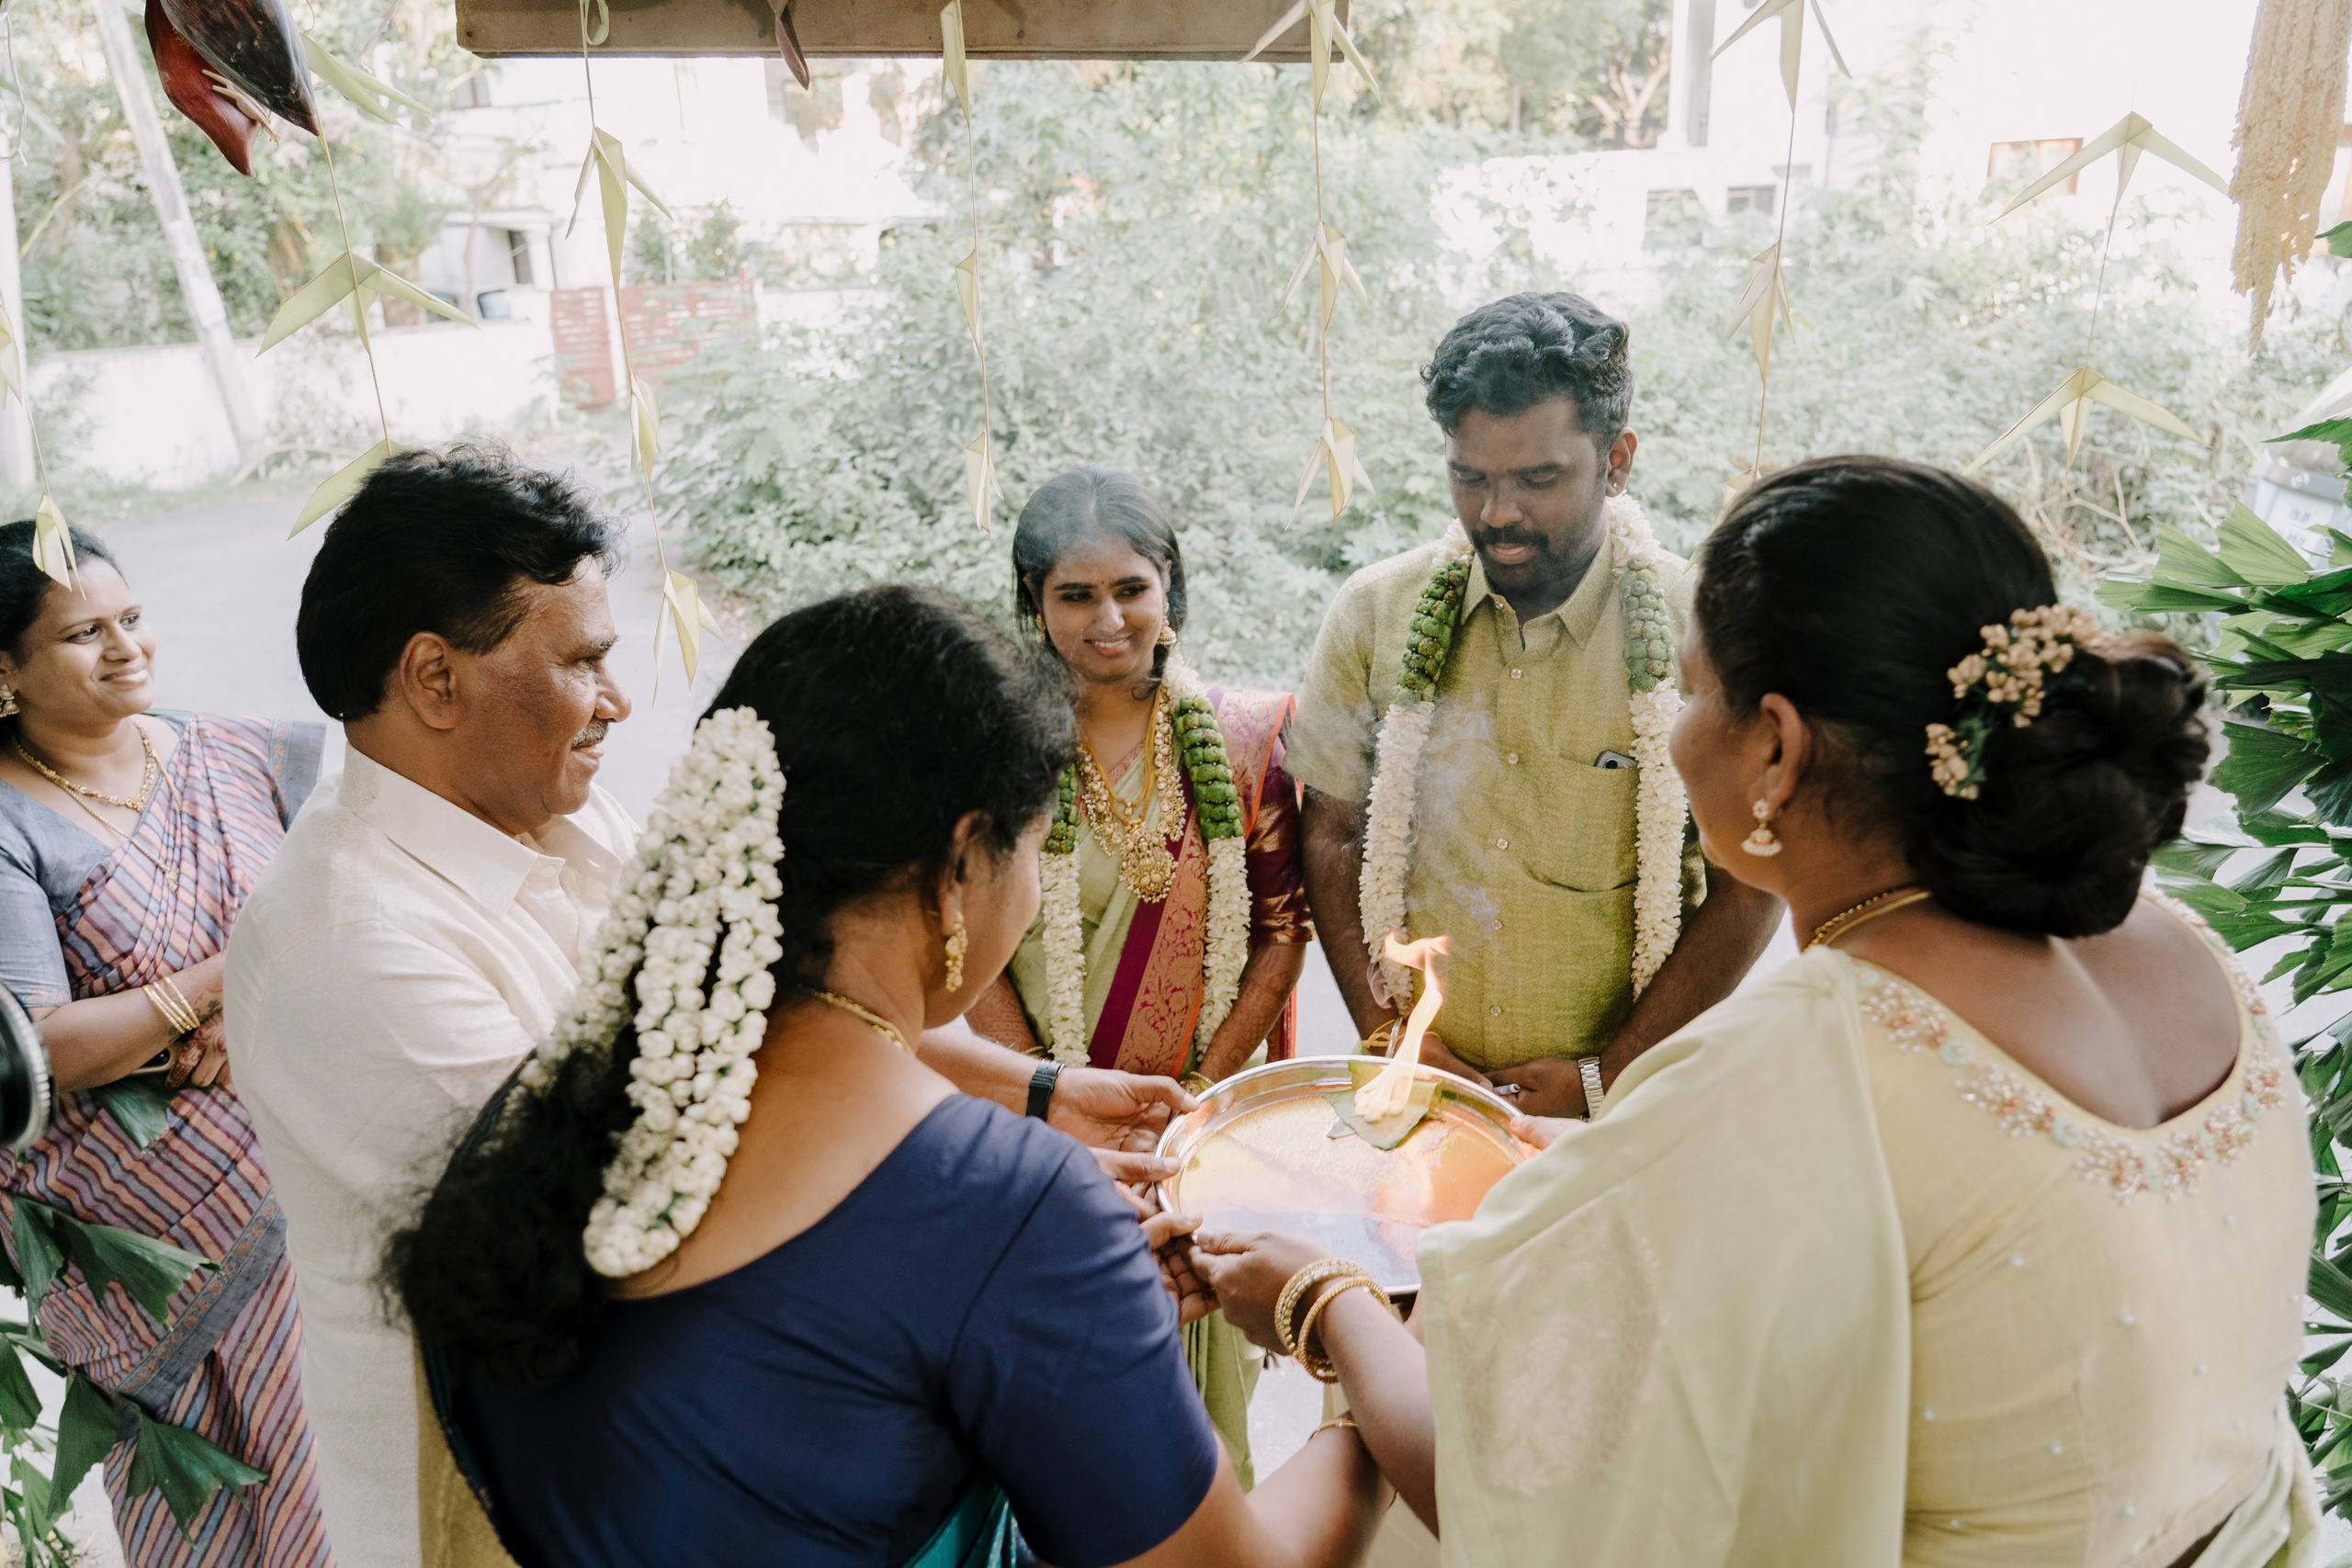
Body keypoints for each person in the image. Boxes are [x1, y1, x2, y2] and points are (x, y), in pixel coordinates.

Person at [1197, 457, 2318, 1566]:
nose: (1674, 734)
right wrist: (1606, 1160)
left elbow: (1518, 1502)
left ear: (1775, 747)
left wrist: (1320, 1295)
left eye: (1687, 693)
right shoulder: (2182, 950)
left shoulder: (1798, 1065)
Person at [229, 446, 1204, 1568]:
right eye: (581, 662)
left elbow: (759, 996)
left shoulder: (559, 812)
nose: (618, 702)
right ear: (436, 678)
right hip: (498, 1502)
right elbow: (653, 1189)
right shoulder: (350, 946)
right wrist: (1012, 1227)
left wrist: (1036, 1097)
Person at [388, 586, 1389, 1568]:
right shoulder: (1010, 1214)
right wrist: (1363, 1361)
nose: (1033, 892)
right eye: (1034, 852)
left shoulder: (559, 1108)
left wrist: (1067, 1318)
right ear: (960, 867)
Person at [1286, 292, 1781, 1118]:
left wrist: (1607, 1076)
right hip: (1418, 1099)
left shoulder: (1702, 630)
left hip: (1626, 1110)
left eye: (1537, 479)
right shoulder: (1374, 613)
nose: (1498, 514)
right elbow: (1332, 832)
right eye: (1469, 477)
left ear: (1617, 461)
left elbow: (1750, 886)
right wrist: (1391, 1039)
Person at [964, 467, 1314, 1483]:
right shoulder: (1001, 746)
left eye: (1131, 588)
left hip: (1189, 1130)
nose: (1107, 619)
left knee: (1197, 1420)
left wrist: (1199, 1103)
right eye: (1074, 595)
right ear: (1034, 604)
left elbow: (1280, 932)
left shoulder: (1244, 740)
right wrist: (1045, 1102)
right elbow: (961, 931)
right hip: (1039, 1126)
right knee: (1055, 1415)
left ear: (1171, 589)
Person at [0, 521, 332, 1565]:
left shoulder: (239, 753)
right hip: (156, 1244)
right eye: (82, 634)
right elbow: (43, 1051)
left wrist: (243, 1010)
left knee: (361, 1478)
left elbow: (354, 905)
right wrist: (224, 979)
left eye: (132, 618)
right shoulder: (7, 822)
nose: (126, 647)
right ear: (3, 668)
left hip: (318, 1186)